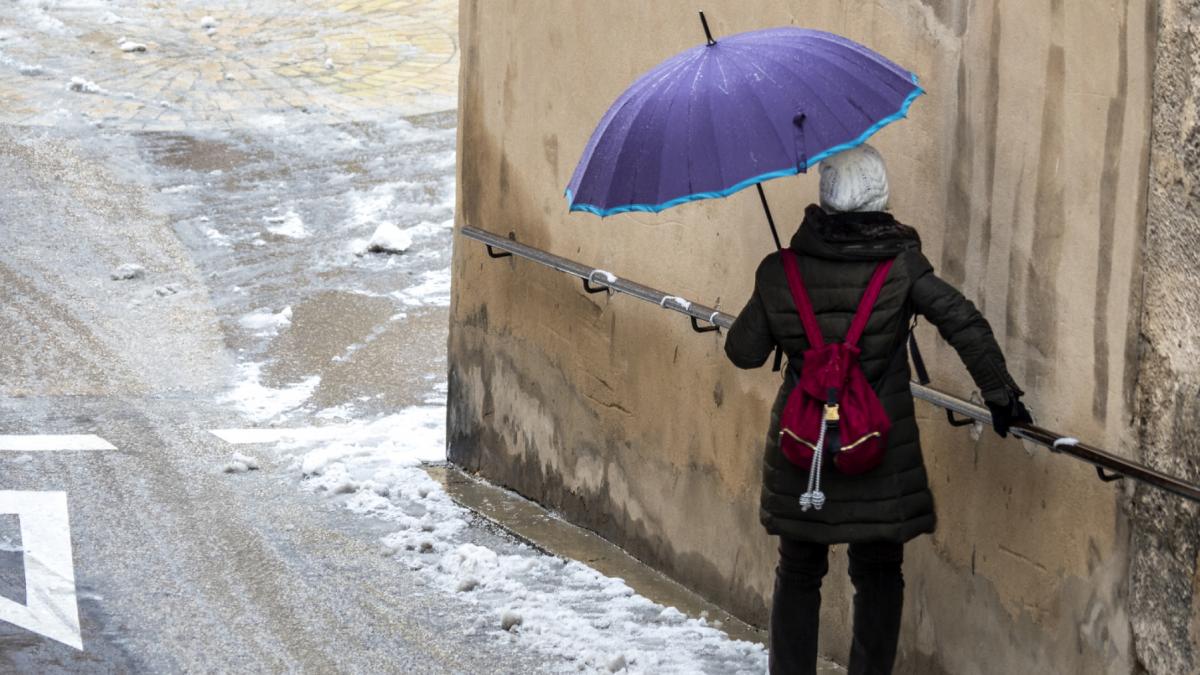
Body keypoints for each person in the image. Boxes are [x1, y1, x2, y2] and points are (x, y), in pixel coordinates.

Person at [723, 144, 1031, 675]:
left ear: (826, 196)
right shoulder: (902, 267)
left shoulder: (782, 269)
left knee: (798, 570)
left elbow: (743, 352)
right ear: (879, 195)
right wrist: (1000, 395)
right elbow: (962, 320)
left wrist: (780, 294)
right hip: (877, 447)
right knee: (880, 571)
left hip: (805, 449)